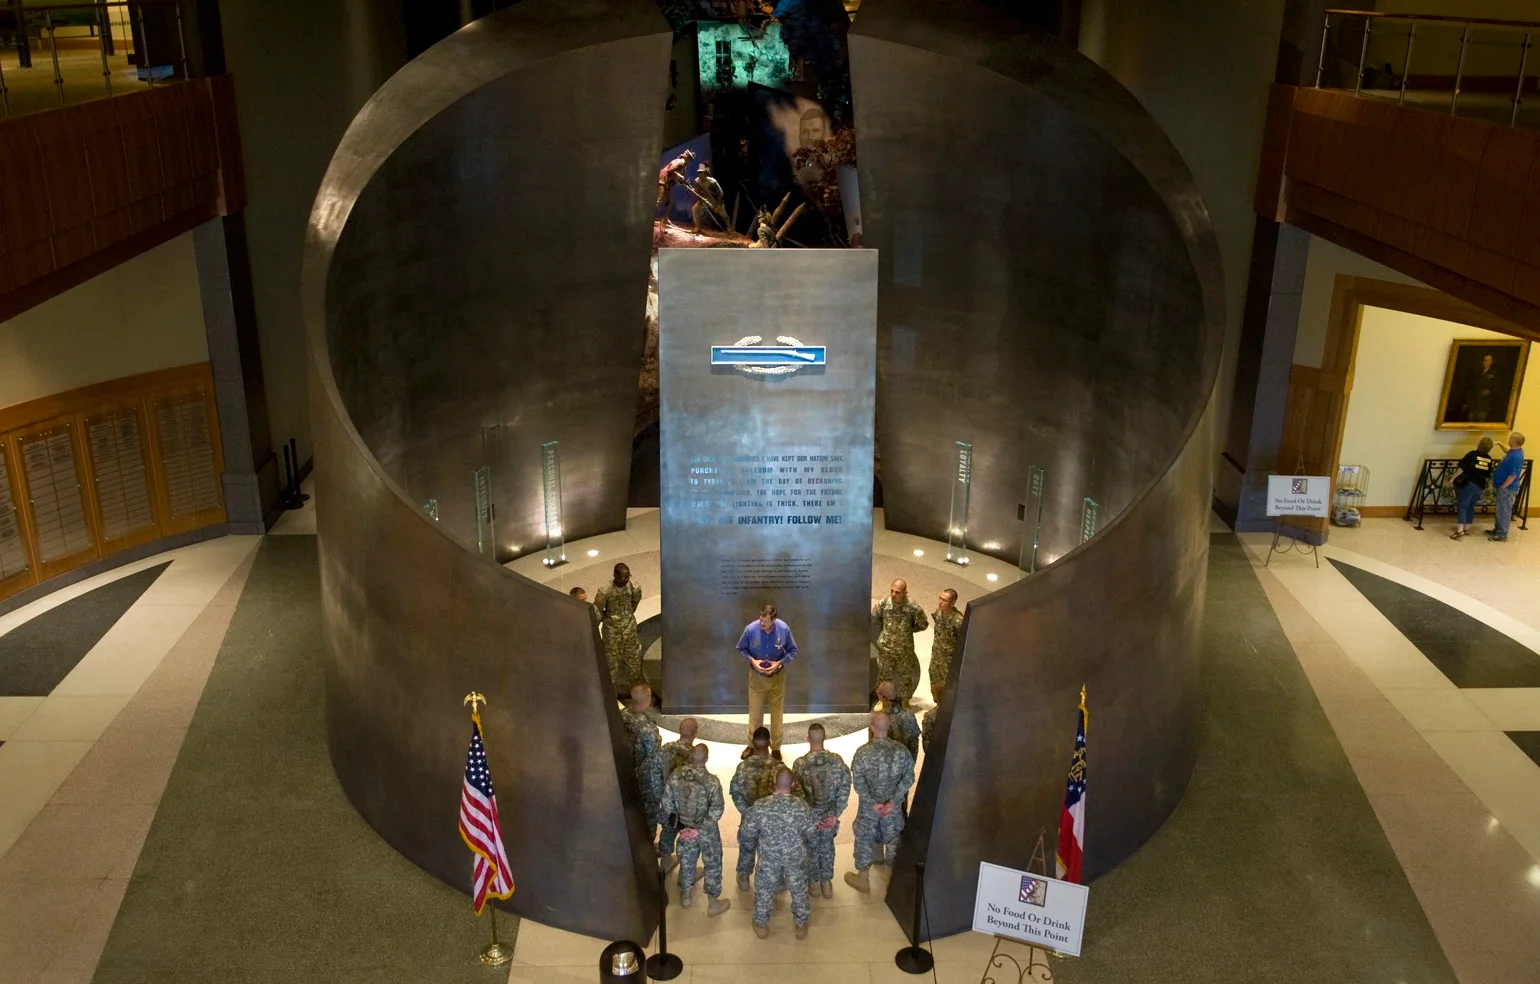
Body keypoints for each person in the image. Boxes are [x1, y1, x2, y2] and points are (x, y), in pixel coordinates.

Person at [843, 711, 916, 894]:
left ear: (872, 727)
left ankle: (863, 879)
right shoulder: (901, 751)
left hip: (869, 809)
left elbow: (859, 783)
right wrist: (892, 802)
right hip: (892, 809)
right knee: (893, 839)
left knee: (864, 838)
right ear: (889, 727)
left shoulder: (862, 753)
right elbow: (908, 778)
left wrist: (874, 803)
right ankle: (893, 879)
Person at [741, 766, 816, 940]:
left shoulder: (760, 806)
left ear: (774, 781)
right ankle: (800, 925)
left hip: (769, 857)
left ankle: (761, 925)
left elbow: (747, 833)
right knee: (798, 889)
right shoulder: (801, 806)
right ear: (793, 784)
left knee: (764, 889)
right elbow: (812, 834)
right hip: (794, 856)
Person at [662, 744, 732, 916]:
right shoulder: (711, 781)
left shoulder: (676, 775)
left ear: (690, 757)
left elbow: (666, 803)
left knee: (686, 862)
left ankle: (686, 897)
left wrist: (682, 826)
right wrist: (700, 829)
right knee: (713, 864)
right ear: (706, 759)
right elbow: (717, 808)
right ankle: (713, 903)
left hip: (685, 830)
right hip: (707, 832)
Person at [792, 723, 851, 899]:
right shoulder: (837, 761)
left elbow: (796, 793)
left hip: (810, 817)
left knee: (810, 848)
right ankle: (827, 883)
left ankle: (813, 884)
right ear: (824, 738)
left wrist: (808, 817)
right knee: (827, 847)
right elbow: (845, 787)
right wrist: (835, 814)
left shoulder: (800, 764)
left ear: (808, 739)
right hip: (830, 816)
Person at [736, 603, 799, 757]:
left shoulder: (783, 630)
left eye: (765, 621)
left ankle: (776, 747)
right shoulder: (751, 629)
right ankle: (752, 745)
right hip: (757, 678)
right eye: (760, 619)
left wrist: (779, 662)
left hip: (777, 678)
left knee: (777, 714)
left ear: (774, 620)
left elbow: (793, 651)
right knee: (755, 714)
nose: (762, 623)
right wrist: (752, 661)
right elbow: (741, 649)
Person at [731, 727, 782, 891]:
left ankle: (744, 877)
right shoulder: (778, 767)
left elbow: (735, 792)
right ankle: (774, 881)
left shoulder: (742, 767)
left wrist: (747, 812)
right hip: (771, 820)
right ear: (769, 743)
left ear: (752, 742)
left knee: (747, 846)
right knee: (771, 850)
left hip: (749, 816)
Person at [619, 681, 665, 846]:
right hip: (642, 778)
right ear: (648, 698)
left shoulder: (621, 715)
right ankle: (647, 848)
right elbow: (652, 760)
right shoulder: (648, 728)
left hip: (622, 770)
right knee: (649, 813)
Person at [872, 579, 928, 702]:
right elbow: (875, 617)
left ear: (905, 593)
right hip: (886, 649)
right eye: (892, 591)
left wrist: (908, 630)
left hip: (904, 650)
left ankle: (904, 702)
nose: (893, 594)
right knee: (884, 676)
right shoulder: (884, 603)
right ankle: (883, 701)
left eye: (897, 592)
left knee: (906, 677)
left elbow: (923, 624)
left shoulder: (913, 607)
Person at [657, 718, 700, 875]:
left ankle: (666, 858)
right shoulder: (695, 756)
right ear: (696, 733)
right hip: (684, 807)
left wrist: (660, 795)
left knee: (667, 829)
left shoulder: (666, 748)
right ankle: (688, 872)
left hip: (665, 800)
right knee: (688, 836)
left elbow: (654, 772)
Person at [595, 564, 643, 694]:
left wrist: (625, 617)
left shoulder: (634, 587)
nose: (626, 579)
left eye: (627, 576)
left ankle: (637, 690)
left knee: (634, 660)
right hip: (611, 633)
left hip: (630, 630)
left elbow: (634, 604)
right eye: (623, 577)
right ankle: (610, 693)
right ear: (615, 575)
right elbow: (598, 611)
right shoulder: (605, 591)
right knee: (611, 663)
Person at [1450, 437, 1495, 540]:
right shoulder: (1489, 458)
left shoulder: (1472, 455)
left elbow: (1462, 468)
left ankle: (1459, 530)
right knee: (1470, 505)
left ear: (1479, 444)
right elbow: (1488, 474)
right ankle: (1467, 528)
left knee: (1462, 506)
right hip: (1480, 486)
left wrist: (1453, 478)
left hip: (1470, 484)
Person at [1489, 432, 1526, 542]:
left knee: (1504, 510)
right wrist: (1499, 443)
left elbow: (1513, 475)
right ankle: (1497, 530)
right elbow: (1507, 451)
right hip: (1504, 487)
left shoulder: (1516, 457)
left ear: (1514, 441)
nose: (1509, 439)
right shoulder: (1514, 451)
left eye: (1510, 438)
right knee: (1500, 509)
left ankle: (1501, 534)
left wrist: (1503, 487)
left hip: (1507, 488)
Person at [929, 588, 963, 704]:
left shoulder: (958, 621)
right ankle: (937, 704)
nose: (940, 602)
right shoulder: (938, 613)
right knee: (934, 681)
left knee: (948, 686)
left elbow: (963, 643)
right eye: (940, 598)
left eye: (944, 600)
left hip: (948, 661)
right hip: (936, 657)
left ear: (952, 603)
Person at [876, 681, 920, 762]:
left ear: (882, 697)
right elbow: (914, 743)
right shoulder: (909, 714)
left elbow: (875, 747)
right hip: (906, 764)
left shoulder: (879, 718)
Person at [655, 148, 695, 219]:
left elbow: (678, 179)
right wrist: (680, 177)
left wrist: (686, 183)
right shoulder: (680, 162)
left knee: (669, 200)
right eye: (690, 158)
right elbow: (670, 170)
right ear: (687, 158)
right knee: (659, 199)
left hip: (667, 182)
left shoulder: (683, 166)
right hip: (663, 179)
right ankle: (647, 217)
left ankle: (665, 219)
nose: (690, 160)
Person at [690, 161, 725, 232]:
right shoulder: (697, 181)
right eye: (699, 172)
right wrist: (695, 191)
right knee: (694, 208)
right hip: (704, 199)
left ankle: (722, 229)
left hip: (713, 200)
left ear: (705, 173)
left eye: (701, 172)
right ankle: (697, 227)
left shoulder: (712, 181)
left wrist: (719, 204)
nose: (699, 174)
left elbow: (720, 193)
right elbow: (698, 192)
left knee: (722, 215)